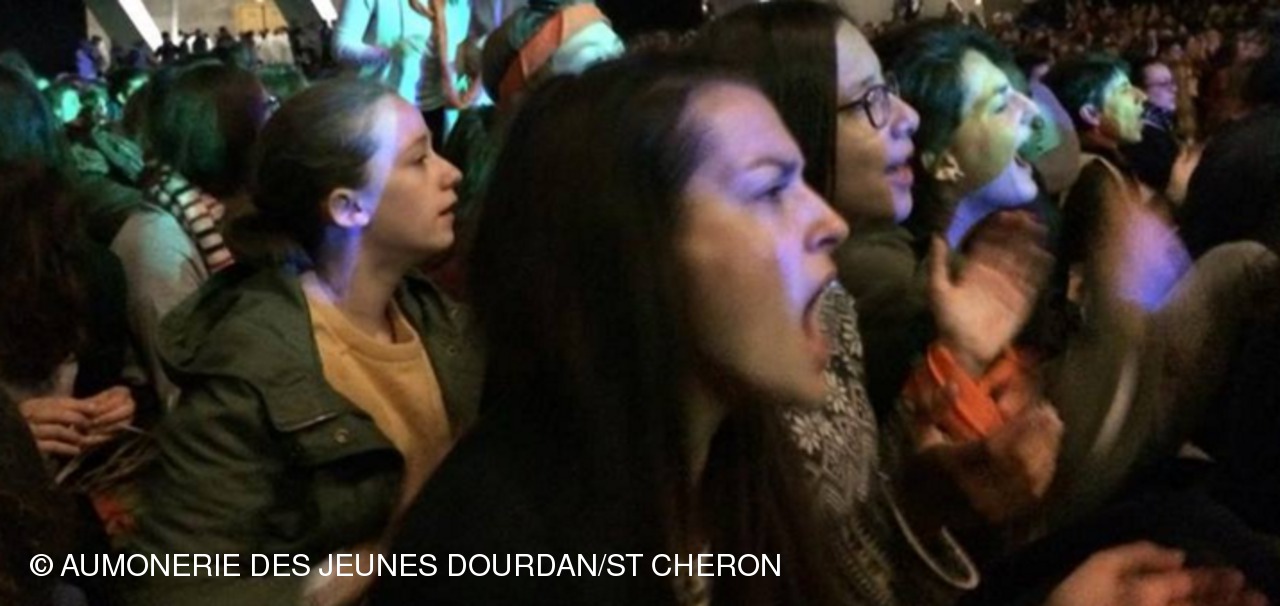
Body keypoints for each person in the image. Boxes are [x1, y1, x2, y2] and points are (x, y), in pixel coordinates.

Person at [376, 54, 850, 606]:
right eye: (770, 190)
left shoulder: (737, 468)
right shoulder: (489, 558)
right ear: (626, 250)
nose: (832, 223)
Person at [126, 77, 482, 606]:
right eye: (418, 159)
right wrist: (344, 576)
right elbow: (174, 585)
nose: (451, 173)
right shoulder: (253, 365)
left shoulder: (434, 317)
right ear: (347, 207)